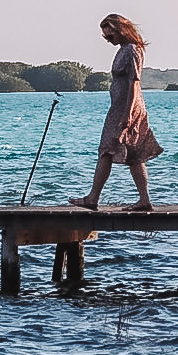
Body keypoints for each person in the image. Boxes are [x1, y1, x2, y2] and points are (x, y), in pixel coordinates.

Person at [69, 13, 162, 210]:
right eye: (106, 37)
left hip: (127, 108)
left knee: (108, 150)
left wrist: (128, 114)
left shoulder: (132, 51)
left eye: (110, 36)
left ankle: (94, 198)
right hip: (119, 107)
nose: (108, 40)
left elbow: (134, 83)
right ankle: (143, 200)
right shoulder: (123, 50)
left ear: (120, 31)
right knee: (131, 154)